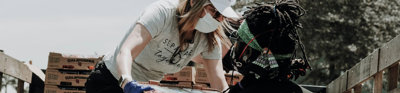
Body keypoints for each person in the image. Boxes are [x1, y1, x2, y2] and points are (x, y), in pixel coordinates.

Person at [85, 0, 239, 93]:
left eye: (222, 16)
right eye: (213, 11)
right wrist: (127, 82)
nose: (218, 19)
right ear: (194, 2)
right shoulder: (163, 13)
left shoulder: (210, 40)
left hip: (147, 88)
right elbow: (127, 51)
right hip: (112, 80)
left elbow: (219, 82)